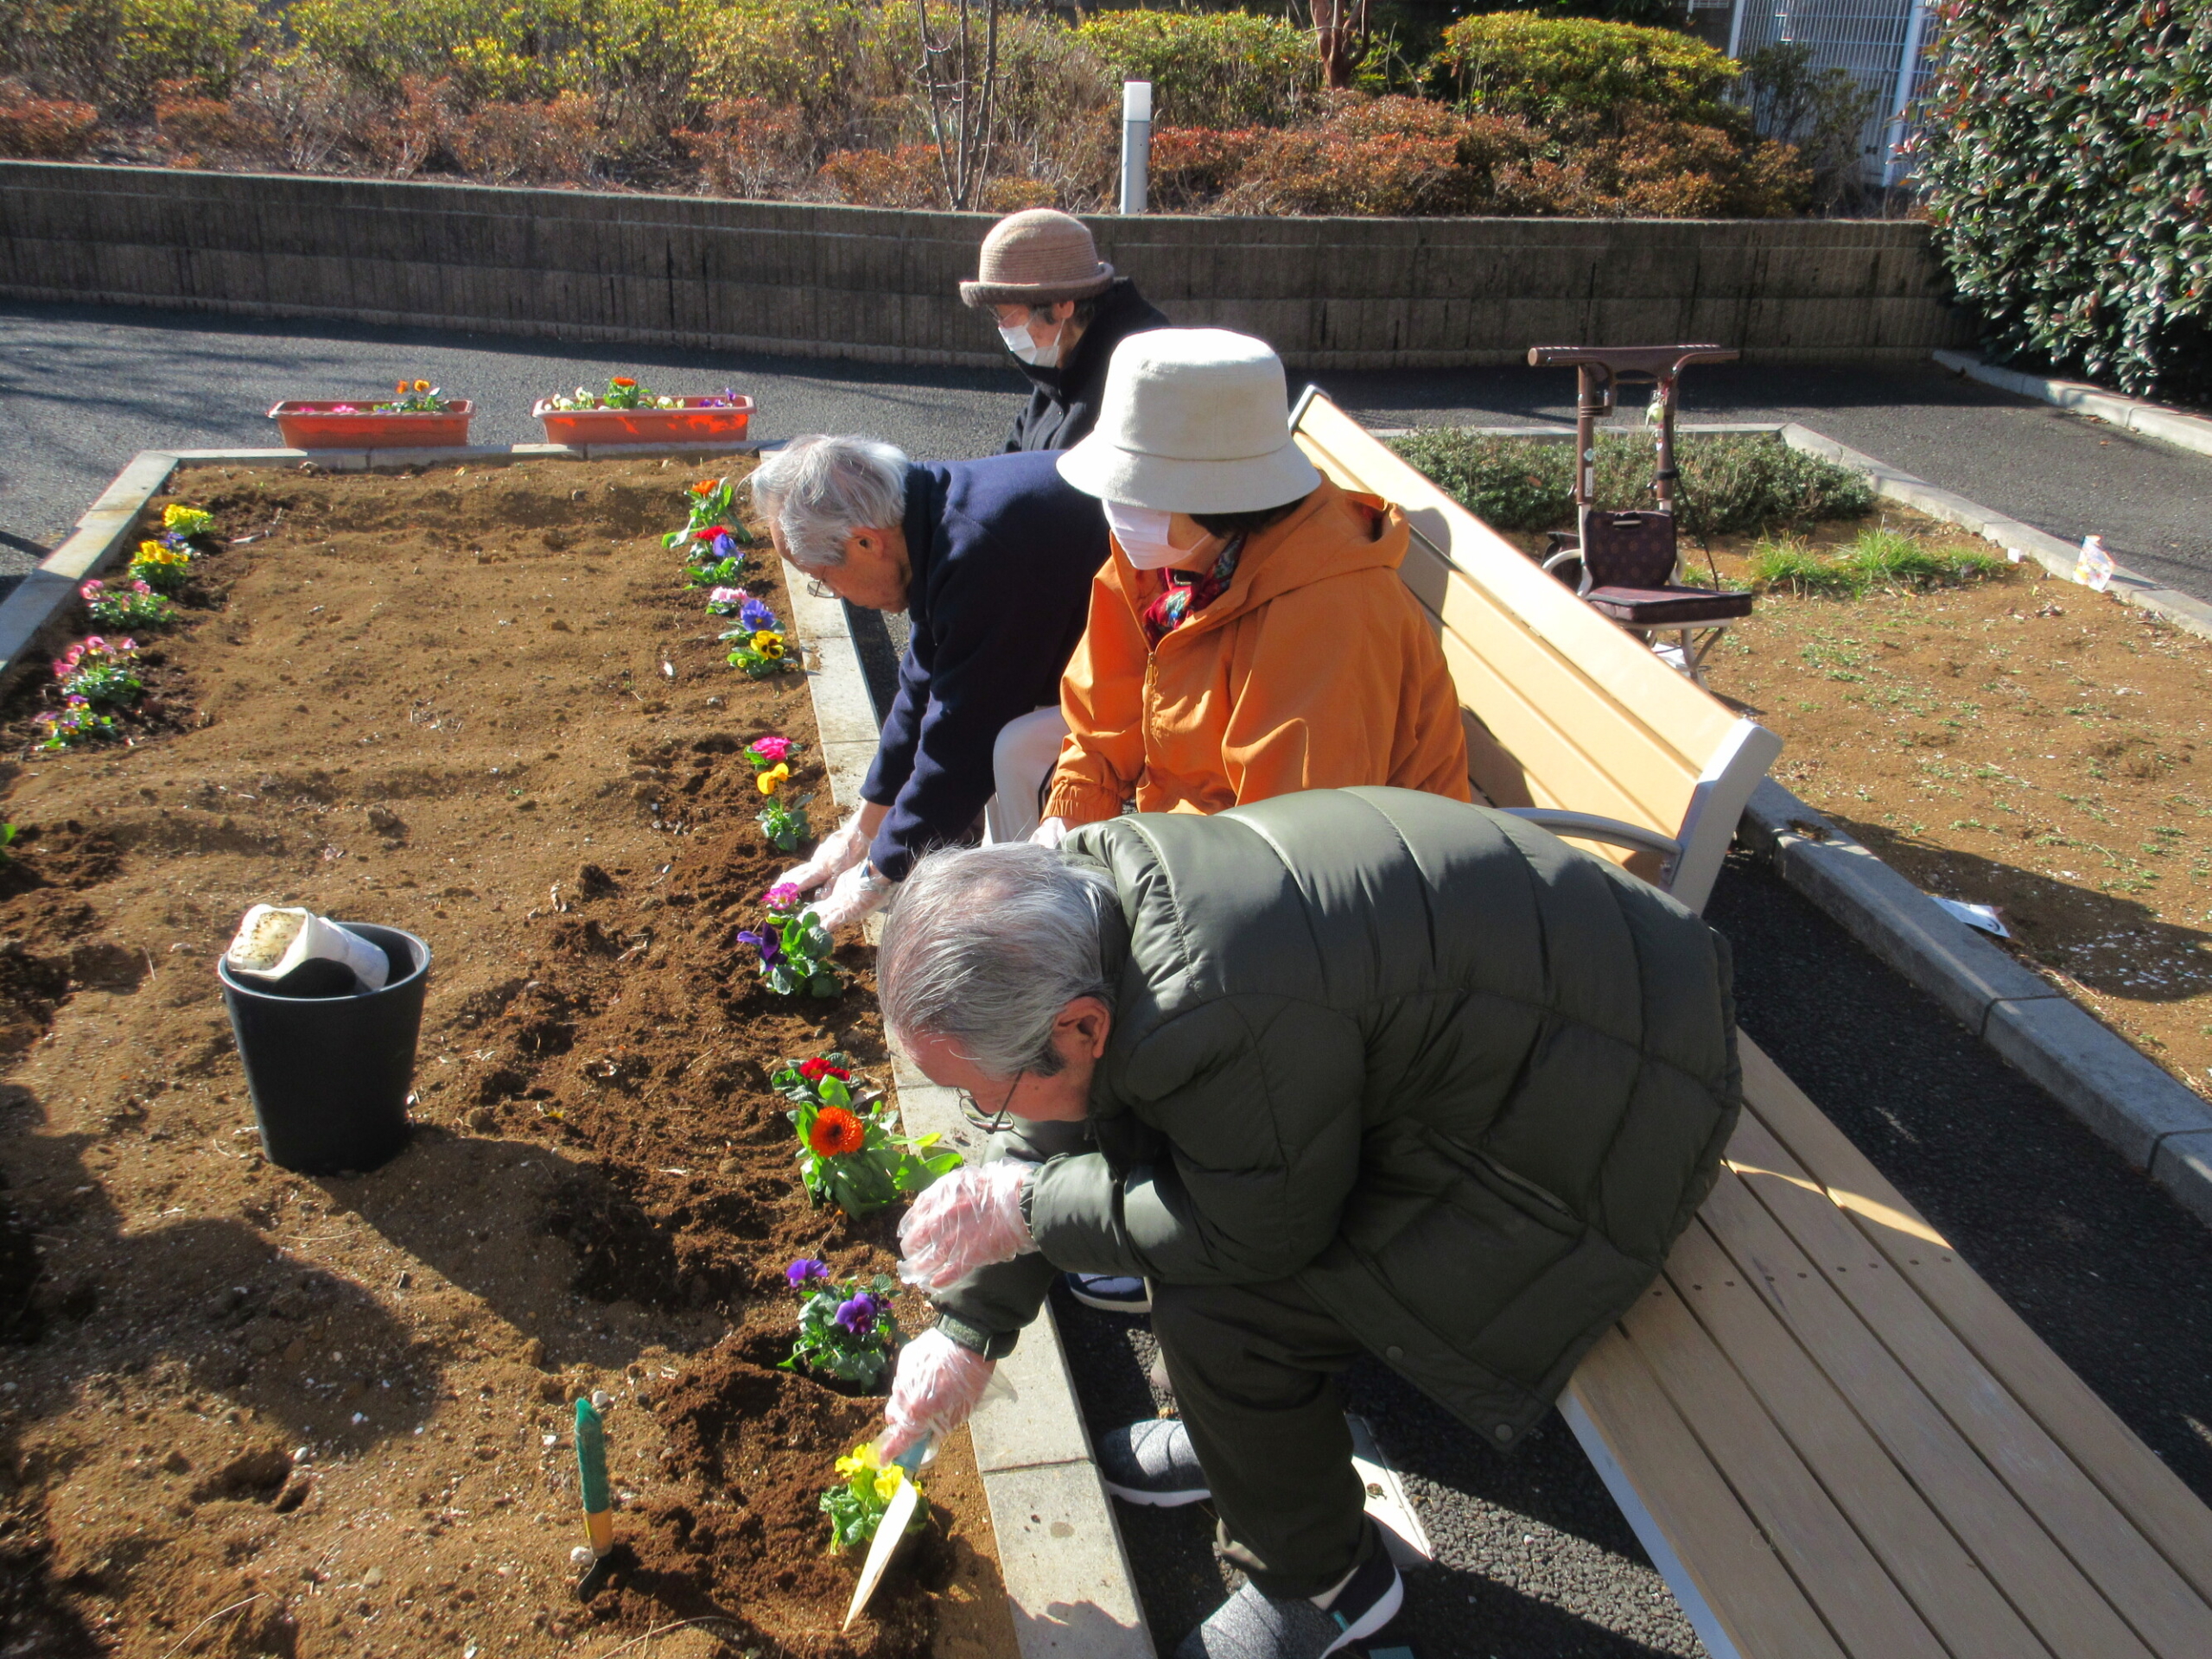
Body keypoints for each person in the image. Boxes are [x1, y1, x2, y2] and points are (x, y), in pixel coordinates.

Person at [869, 792, 1741, 1659]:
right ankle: (1241, 1446)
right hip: (1576, 1008)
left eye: (979, 1091)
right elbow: (1067, 1115)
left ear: (1081, 1026)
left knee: (1226, 1309)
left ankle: (1324, 1583)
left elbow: (1255, 1230)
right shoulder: (1085, 906)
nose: (982, 1114)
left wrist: (1023, 1210)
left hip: (1610, 1109)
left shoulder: (1210, 1007)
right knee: (1162, 1210)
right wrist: (971, 1327)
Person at [1034, 328, 1471, 843]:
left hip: (1355, 889)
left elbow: (1292, 853)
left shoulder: (1327, 614)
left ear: (1220, 500)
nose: (1117, 510)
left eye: (1138, 490)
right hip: (1200, 851)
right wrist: (1070, 814)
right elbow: (1103, 721)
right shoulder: (1168, 557)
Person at [752, 437, 1108, 929]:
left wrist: (877, 876)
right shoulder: (931, 518)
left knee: (1013, 749)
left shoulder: (983, 550)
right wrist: (860, 833)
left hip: (1180, 667)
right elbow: (922, 686)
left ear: (865, 542)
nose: (835, 595)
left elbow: (961, 744)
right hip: (1103, 653)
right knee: (1011, 749)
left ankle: (1037, 917)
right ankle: (1014, 892)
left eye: (824, 578)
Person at [963, 208, 1170, 453]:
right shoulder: (1060, 360)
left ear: (1062, 305)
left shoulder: (1141, 375)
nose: (1002, 327)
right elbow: (1005, 463)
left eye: (1006, 316)